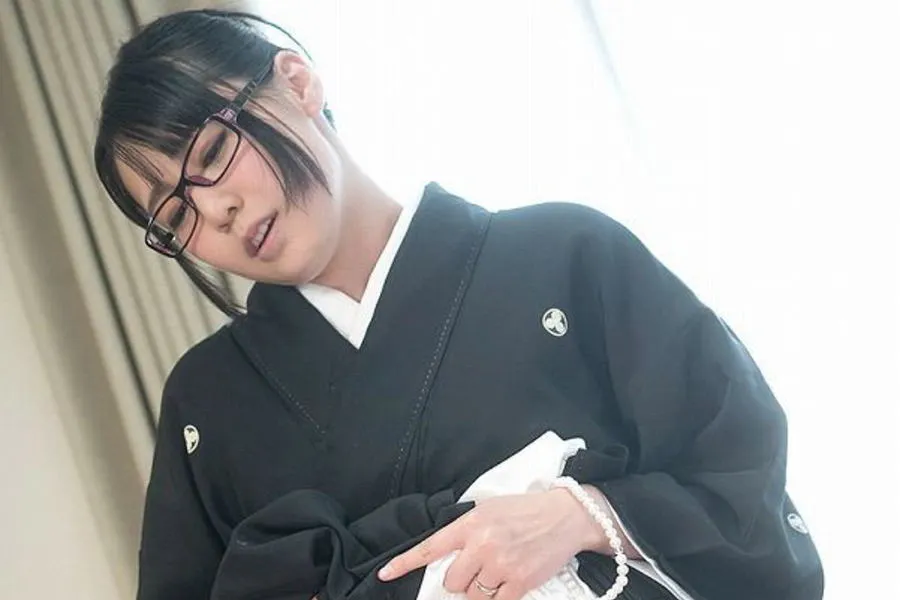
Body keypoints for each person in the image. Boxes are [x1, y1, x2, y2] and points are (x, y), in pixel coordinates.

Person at [93, 9, 824, 600]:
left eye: (212, 155)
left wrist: (582, 516)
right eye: (175, 215)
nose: (214, 212)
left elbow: (740, 483)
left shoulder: (568, 254)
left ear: (297, 82)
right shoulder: (209, 402)